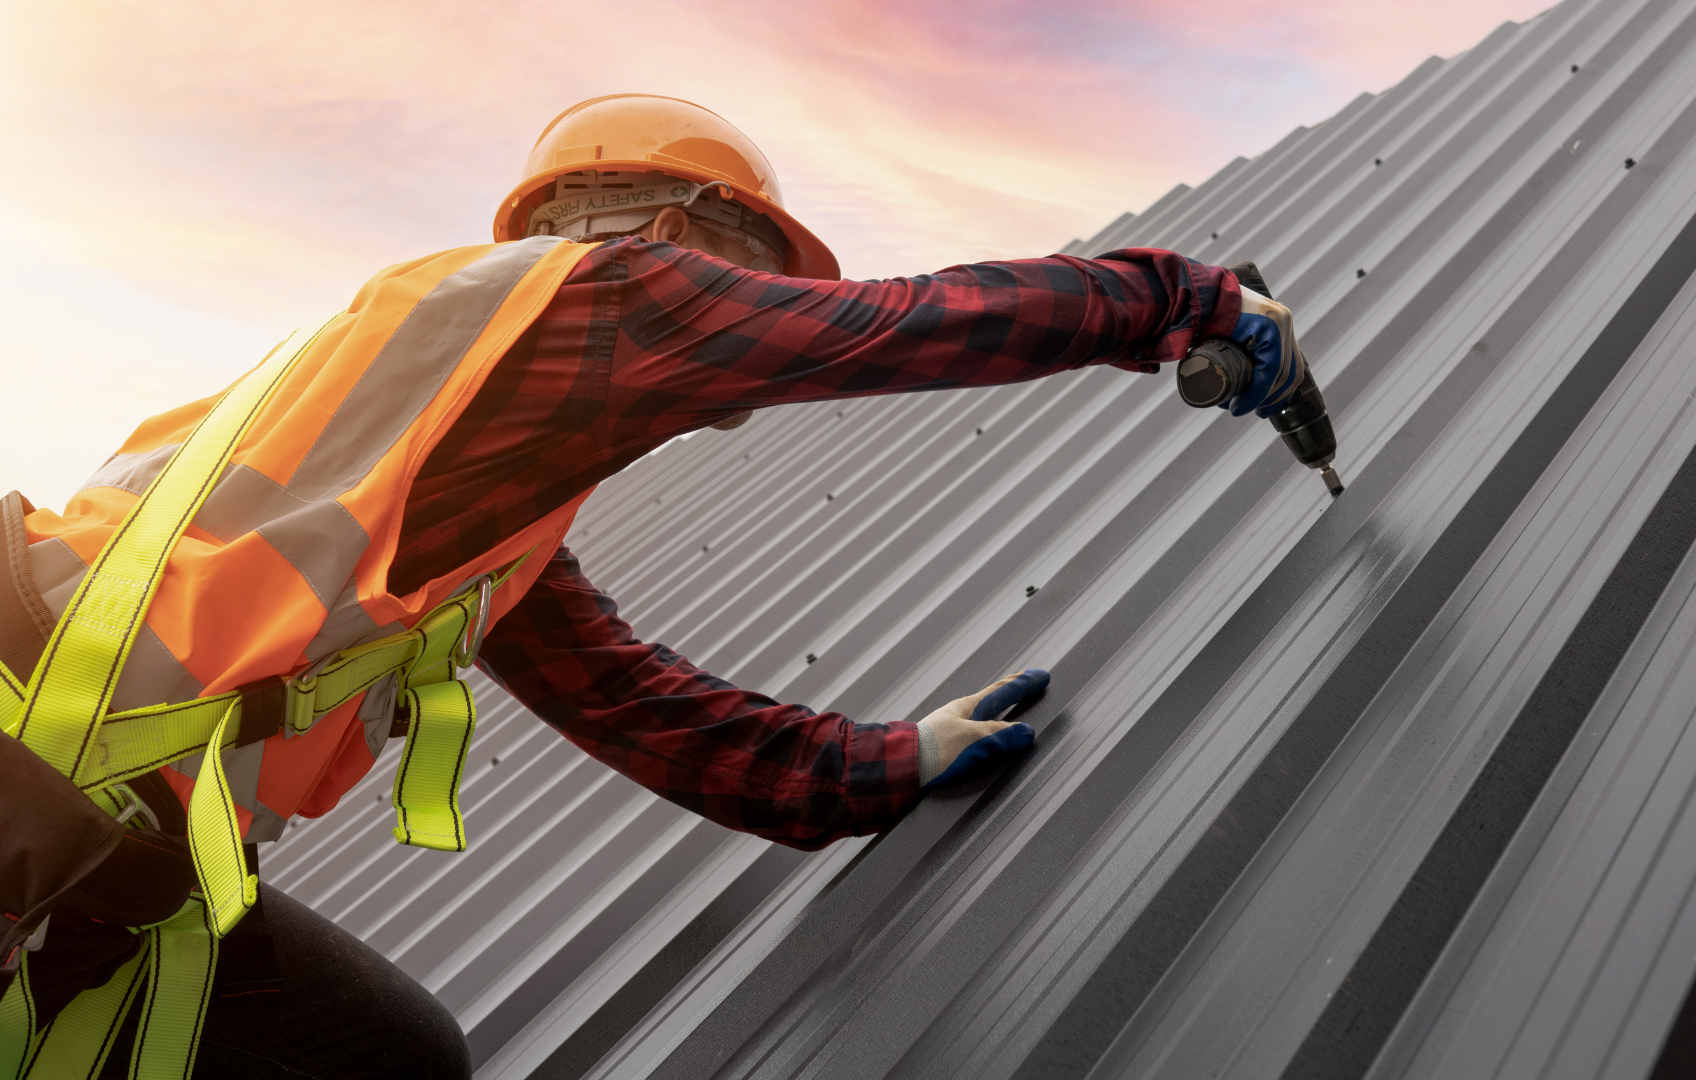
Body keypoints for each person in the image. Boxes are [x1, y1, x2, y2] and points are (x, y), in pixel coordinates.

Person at [0, 94, 1310, 1078]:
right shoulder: (593, 294)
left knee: (384, 1056)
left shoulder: (464, 467)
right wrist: (1182, 300)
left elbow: (626, 700)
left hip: (92, 851)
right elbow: (899, 328)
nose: (751, 324)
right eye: (751, 280)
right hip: (24, 771)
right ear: (681, 235)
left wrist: (872, 767)